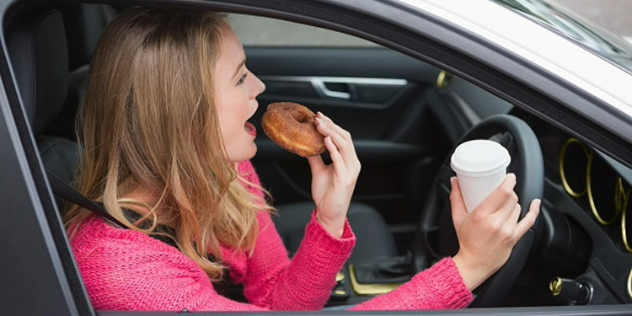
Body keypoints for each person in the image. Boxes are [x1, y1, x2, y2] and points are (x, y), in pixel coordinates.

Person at [65, 8, 541, 312]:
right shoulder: (123, 273)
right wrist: (470, 267)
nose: (259, 89)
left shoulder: (224, 171)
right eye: (239, 79)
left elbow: (278, 301)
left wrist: (329, 217)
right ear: (182, 114)